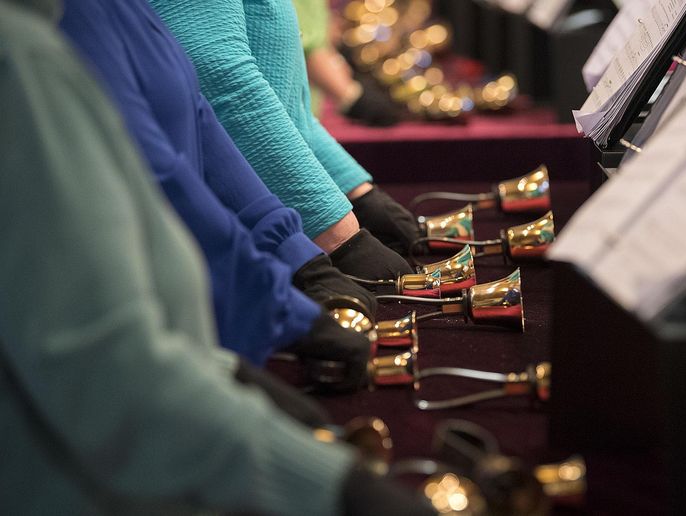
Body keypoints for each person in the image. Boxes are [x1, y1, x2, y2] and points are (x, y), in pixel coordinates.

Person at [0, 2, 436, 514]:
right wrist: (334, 488)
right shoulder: (23, 56)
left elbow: (203, 114)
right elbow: (104, 369)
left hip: (182, 368)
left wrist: (315, 238)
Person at [59, 0, 376, 371]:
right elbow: (215, 91)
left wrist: (302, 251)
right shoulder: (37, 39)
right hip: (134, 325)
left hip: (191, 299)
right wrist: (325, 240)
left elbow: (200, 115)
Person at [148, 0, 424, 259]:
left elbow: (290, 108)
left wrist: (360, 196)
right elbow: (223, 81)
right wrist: (341, 240)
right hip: (217, 220)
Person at [292, 0, 400, 126]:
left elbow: (315, 42)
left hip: (302, 116)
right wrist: (353, 98)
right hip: (294, 118)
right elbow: (306, 49)